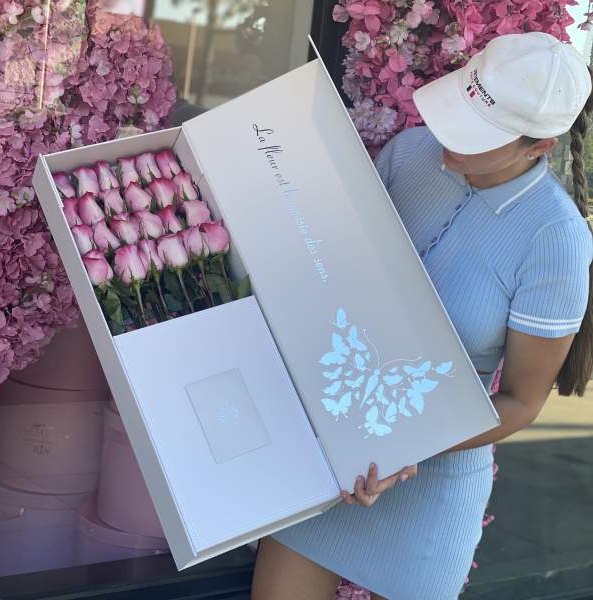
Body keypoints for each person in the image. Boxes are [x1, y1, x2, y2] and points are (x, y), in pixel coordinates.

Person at [251, 32, 593, 600]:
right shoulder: (409, 153)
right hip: (330, 451)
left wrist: (400, 445)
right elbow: (333, 277)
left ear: (540, 146)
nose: (448, 140)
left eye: (478, 136)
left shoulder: (555, 238)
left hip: (434, 479)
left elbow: (520, 403)